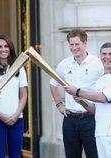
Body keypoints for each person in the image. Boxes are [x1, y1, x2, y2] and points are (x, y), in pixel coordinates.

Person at [49, 29, 104, 158]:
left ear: (85, 43)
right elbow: (53, 84)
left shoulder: (97, 64)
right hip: (70, 119)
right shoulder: (64, 64)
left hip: (91, 119)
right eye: (71, 44)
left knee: (94, 155)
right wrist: (59, 104)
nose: (74, 48)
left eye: (77, 44)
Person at [65, 42, 111, 157]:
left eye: (110, 54)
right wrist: (81, 101)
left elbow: (103, 98)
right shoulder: (99, 79)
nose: (107, 57)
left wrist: (78, 91)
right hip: (100, 132)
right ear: (100, 56)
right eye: (104, 54)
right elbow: (94, 110)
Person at [0, 34, 28, 158]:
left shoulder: (19, 68)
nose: (3, 49)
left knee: (15, 155)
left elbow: (23, 94)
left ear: (10, 48)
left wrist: (16, 114)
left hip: (17, 119)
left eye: (6, 46)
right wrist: (1, 115)